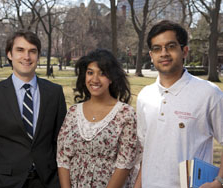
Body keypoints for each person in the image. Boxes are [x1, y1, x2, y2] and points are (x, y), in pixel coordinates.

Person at [133, 20, 223, 188]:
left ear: (184, 51)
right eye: (157, 48)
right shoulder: (144, 96)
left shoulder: (209, 93)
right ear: (151, 55)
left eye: (171, 46)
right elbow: (147, 150)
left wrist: (219, 181)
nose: (164, 53)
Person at [0, 30, 67, 188]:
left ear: (38, 55)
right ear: (9, 54)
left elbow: (62, 143)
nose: (27, 57)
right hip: (4, 182)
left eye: (32, 51)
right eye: (20, 50)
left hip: (48, 181)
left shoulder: (55, 93)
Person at [57, 48, 141, 187]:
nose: (95, 79)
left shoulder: (125, 114)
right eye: (90, 73)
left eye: (102, 74)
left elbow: (124, 164)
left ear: (112, 78)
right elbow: (63, 158)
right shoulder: (73, 112)